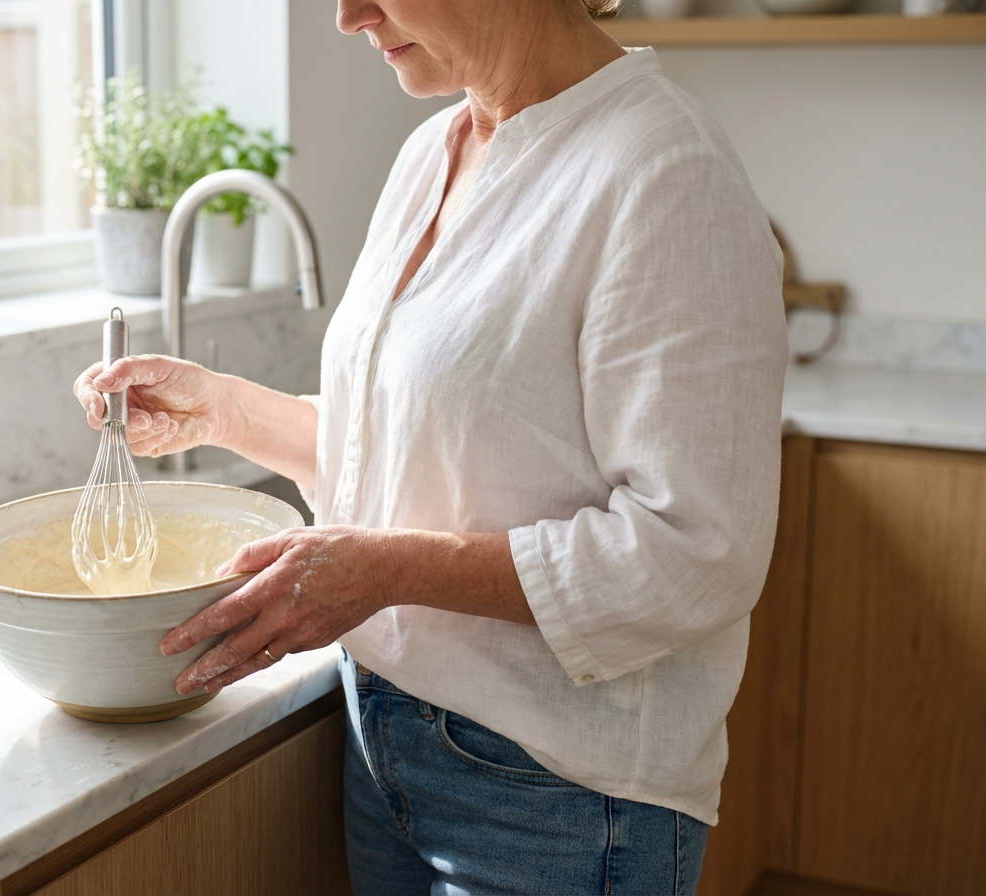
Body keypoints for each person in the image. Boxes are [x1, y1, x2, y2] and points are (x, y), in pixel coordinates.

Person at [75, 0, 787, 891]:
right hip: (386, 748)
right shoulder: (434, 152)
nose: (347, 16)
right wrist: (223, 412)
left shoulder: (664, 171)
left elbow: (696, 556)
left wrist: (387, 571)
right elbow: (411, 453)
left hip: (559, 801)